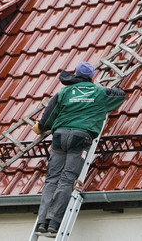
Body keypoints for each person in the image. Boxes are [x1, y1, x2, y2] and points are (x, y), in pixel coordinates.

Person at [32, 61, 126, 235]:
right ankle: (54, 221)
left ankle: (42, 222)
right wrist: (100, 90)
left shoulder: (64, 92)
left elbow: (46, 120)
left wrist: (40, 126)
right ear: (92, 77)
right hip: (80, 137)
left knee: (52, 179)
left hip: (59, 137)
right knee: (68, 179)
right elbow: (120, 95)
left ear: (75, 74)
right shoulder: (99, 92)